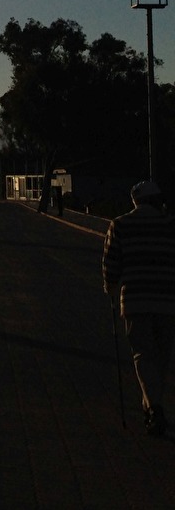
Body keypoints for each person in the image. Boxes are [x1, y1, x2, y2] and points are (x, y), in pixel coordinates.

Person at [103, 180, 175, 437]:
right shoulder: (170, 225)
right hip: (167, 300)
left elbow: (111, 261)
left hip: (134, 299)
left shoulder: (120, 224)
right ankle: (153, 405)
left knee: (142, 354)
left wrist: (110, 287)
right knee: (162, 355)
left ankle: (152, 406)